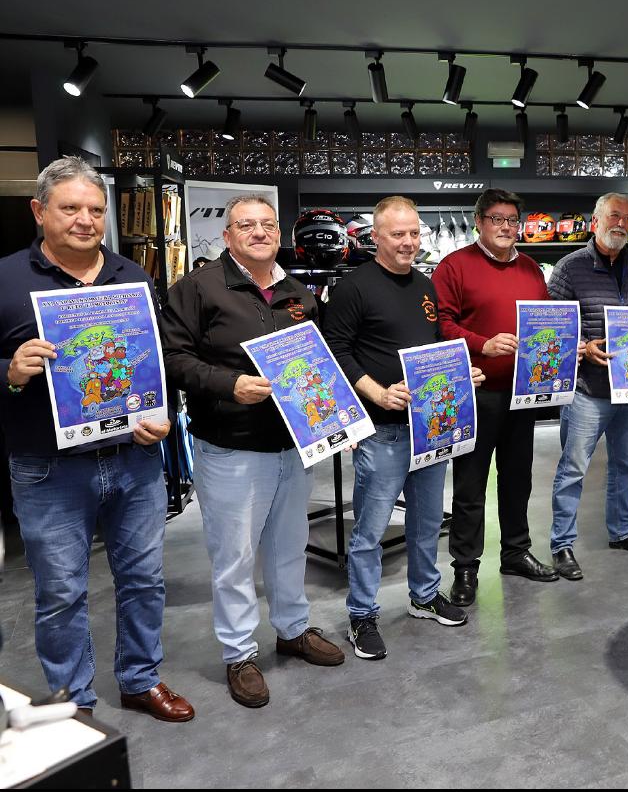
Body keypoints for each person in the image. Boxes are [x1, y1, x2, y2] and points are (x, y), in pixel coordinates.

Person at [0, 156, 193, 721]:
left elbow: (152, 361)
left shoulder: (132, 277)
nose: (85, 220)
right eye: (70, 208)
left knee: (145, 578)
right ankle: (74, 705)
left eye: (95, 209)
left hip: (134, 458)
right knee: (61, 592)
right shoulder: (6, 278)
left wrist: (163, 417)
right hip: (48, 468)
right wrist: (8, 371)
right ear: (40, 212)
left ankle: (139, 678)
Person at [162, 195, 344, 707]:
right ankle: (239, 653)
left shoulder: (298, 292)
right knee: (235, 558)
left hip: (292, 446)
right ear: (227, 235)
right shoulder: (196, 288)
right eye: (247, 225)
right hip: (230, 447)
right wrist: (228, 384)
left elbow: (319, 359)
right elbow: (173, 359)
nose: (259, 232)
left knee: (289, 549)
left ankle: (293, 629)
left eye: (268, 224)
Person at [323, 196, 485, 659]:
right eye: (398, 234)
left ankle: (424, 595)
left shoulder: (426, 286)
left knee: (427, 521)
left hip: (429, 428)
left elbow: (433, 346)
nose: (409, 242)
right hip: (381, 429)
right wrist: (375, 392)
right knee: (370, 531)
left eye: (415, 233)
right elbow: (336, 351)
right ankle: (361, 615)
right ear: (376, 236)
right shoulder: (353, 288)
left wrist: (461, 372)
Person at [432, 189, 558, 607]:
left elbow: (542, 324)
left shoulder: (531, 269)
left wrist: (560, 344)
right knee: (470, 485)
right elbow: (441, 325)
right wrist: (481, 344)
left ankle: (516, 552)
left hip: (524, 393)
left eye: (512, 220)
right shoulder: (454, 266)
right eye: (497, 219)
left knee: (518, 477)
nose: (506, 227)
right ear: (480, 222)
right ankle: (466, 568)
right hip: (476, 391)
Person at [547, 192, 628, 581]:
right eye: (614, 216)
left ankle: (622, 530)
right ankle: (562, 544)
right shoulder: (569, 267)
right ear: (595, 220)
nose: (621, 224)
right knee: (573, 469)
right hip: (587, 390)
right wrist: (582, 347)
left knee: (627, 465)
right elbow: (553, 329)